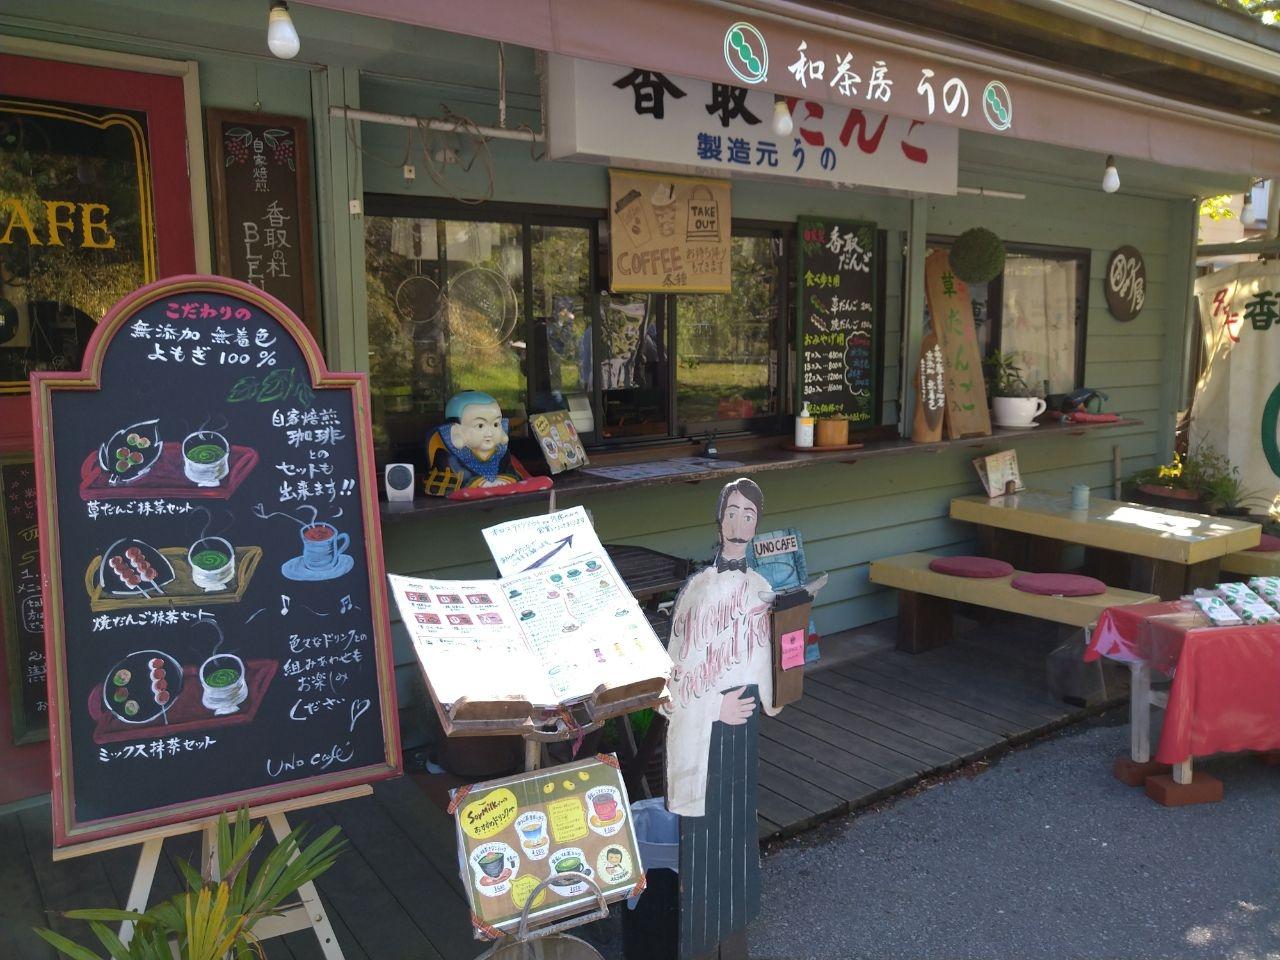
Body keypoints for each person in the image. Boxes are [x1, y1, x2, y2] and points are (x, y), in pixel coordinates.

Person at [663, 477, 778, 958]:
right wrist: (715, 708)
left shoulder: (762, 589)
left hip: (744, 731)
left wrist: (788, 661)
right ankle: (698, 945)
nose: (739, 522)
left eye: (749, 514)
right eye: (732, 511)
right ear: (720, 519)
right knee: (704, 840)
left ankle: (733, 944)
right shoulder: (697, 590)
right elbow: (675, 683)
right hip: (704, 734)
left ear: (757, 524)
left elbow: (774, 668)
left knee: (737, 834)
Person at [423, 390, 520, 496]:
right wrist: (479, 483)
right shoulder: (447, 456)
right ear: (456, 431)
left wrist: (504, 480)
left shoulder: (501, 454)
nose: (489, 433)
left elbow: (513, 474)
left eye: (496, 424)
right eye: (480, 426)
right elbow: (456, 481)